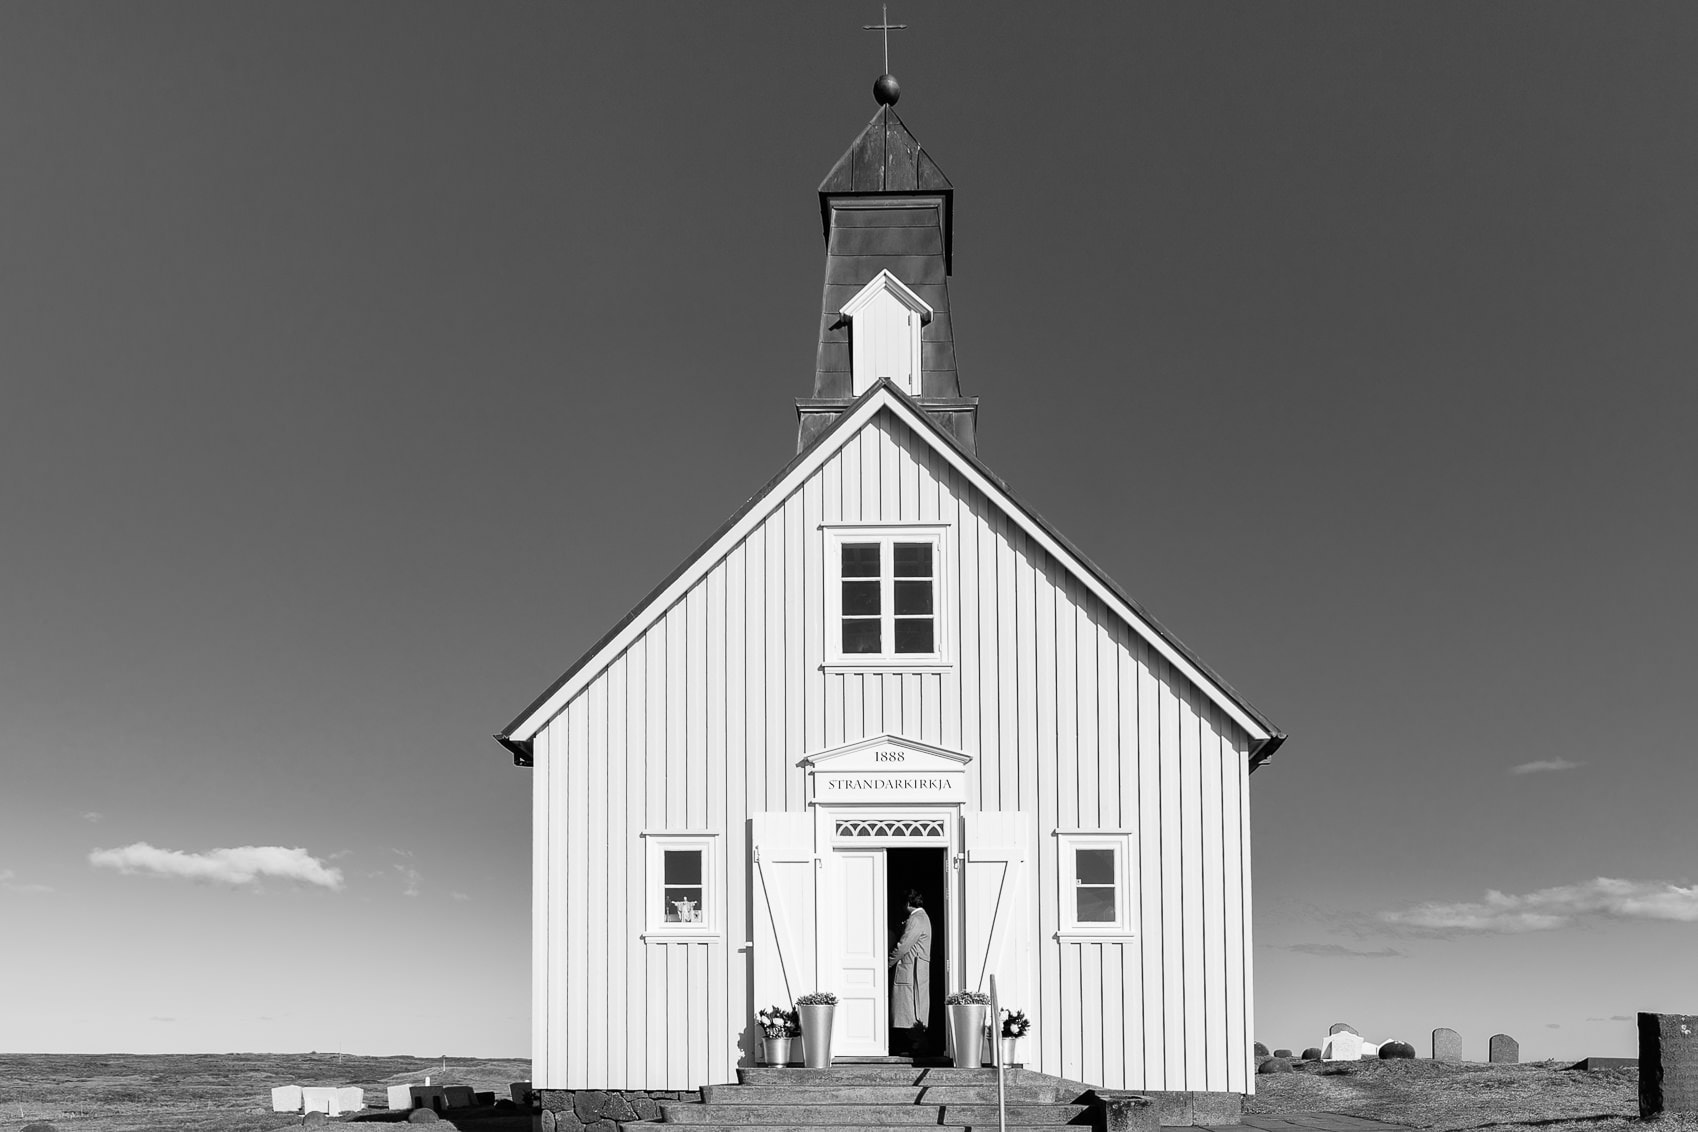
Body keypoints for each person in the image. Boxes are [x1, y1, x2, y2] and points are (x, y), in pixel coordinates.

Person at [888, 889, 932, 1055]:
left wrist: (887, 963)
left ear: (907, 903)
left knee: (911, 1008)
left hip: (911, 969)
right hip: (914, 968)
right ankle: (915, 1044)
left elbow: (903, 946)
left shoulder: (916, 919)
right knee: (912, 1007)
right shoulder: (922, 918)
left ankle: (917, 1046)